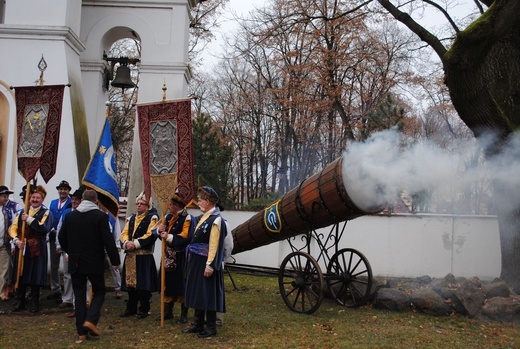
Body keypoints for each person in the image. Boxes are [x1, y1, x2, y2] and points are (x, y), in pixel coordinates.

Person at [58, 189, 121, 343]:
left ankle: (81, 332)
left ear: (82, 200)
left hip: (76, 261)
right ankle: (90, 321)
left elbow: (61, 237)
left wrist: (71, 252)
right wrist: (115, 260)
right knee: (99, 291)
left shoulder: (70, 216)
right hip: (94, 261)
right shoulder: (100, 216)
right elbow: (108, 240)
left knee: (79, 296)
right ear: (95, 201)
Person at [183, 186, 227, 338]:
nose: (198, 203)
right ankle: (198, 323)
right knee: (198, 292)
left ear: (208, 201)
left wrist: (210, 265)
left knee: (208, 294)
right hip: (197, 261)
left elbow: (215, 244)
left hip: (206, 262)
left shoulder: (216, 219)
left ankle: (210, 327)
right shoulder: (204, 218)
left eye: (200, 200)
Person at [10, 185, 54, 313]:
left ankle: (35, 301)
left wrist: (29, 219)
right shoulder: (22, 212)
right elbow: (13, 228)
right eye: (33, 197)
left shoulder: (46, 213)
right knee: (21, 272)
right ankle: (20, 300)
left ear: (42, 199)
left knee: (36, 273)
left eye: (38, 198)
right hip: (22, 245)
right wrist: (16, 240)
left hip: (37, 247)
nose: (34, 199)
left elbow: (44, 228)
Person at [154, 193, 196, 324]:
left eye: (171, 204)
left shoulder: (188, 218)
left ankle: (184, 313)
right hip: (167, 255)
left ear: (177, 205)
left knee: (181, 283)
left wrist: (169, 236)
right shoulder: (167, 217)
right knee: (167, 282)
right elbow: (154, 230)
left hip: (181, 256)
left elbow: (186, 236)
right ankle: (168, 311)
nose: (169, 206)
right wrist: (158, 230)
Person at [120, 192, 158, 319]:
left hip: (143, 255)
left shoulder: (152, 218)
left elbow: (150, 234)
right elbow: (124, 233)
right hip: (131, 255)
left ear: (148, 206)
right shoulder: (131, 219)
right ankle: (131, 308)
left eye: (142, 204)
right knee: (131, 285)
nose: (139, 206)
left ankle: (144, 309)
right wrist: (126, 243)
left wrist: (135, 244)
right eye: (138, 204)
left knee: (143, 284)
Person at [55, 187, 84, 311]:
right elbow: (60, 229)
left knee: (81, 275)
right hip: (67, 248)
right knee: (67, 275)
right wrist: (59, 245)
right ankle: (67, 298)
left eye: (77, 199)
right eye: (73, 199)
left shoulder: (84, 214)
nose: (74, 201)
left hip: (80, 251)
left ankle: (81, 300)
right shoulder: (66, 213)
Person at [47, 180, 73, 303]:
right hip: (53, 237)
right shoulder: (52, 203)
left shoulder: (71, 203)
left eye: (65, 189)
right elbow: (48, 218)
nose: (63, 191)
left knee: (67, 268)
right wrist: (52, 230)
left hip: (67, 239)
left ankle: (67, 294)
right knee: (54, 266)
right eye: (61, 189)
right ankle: (55, 289)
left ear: (68, 191)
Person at [0, 186, 20, 301]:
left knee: (4, 270)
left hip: (4, 245)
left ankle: (2, 292)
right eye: (3, 196)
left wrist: (13, 243)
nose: (5, 198)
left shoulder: (8, 212)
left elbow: (13, 228)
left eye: (6, 196)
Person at [107, 213, 123, 299]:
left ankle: (118, 288)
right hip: (98, 245)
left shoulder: (113, 216)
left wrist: (117, 244)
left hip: (110, 245)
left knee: (114, 267)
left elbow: (117, 230)